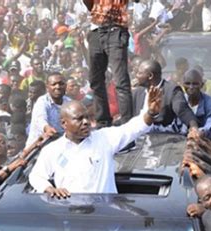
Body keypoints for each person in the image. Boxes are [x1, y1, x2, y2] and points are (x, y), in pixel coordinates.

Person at [29, 86, 161, 197]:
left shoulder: (104, 138)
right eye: (79, 119)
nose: (86, 122)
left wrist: (150, 113)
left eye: (87, 117)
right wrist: (50, 189)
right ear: (64, 123)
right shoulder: (52, 150)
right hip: (70, 216)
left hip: (103, 217)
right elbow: (36, 176)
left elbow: (134, 128)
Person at [83, 0, 133, 128]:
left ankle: (127, 128)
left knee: (120, 81)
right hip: (95, 30)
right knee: (95, 81)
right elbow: (90, 6)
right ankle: (103, 122)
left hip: (115, 29)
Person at [133, 60, 199, 133]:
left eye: (139, 73)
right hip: (137, 139)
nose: (136, 76)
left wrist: (193, 128)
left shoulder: (172, 91)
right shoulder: (137, 92)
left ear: (150, 76)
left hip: (163, 139)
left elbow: (183, 111)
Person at [26, 72, 71, 146]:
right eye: (54, 84)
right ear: (47, 87)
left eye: (61, 84)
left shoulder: (69, 102)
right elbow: (41, 119)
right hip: (37, 148)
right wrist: (47, 128)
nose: (58, 87)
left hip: (60, 146)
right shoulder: (42, 102)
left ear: (66, 86)